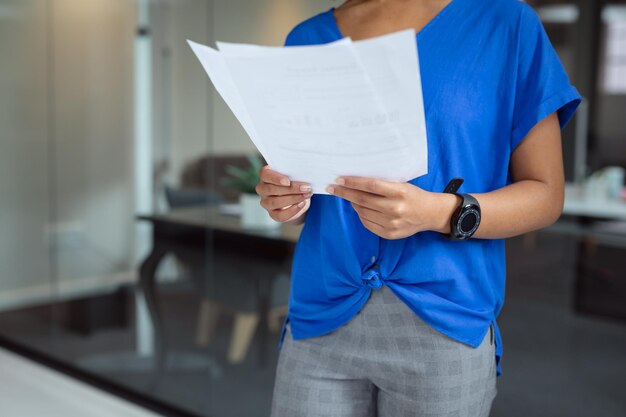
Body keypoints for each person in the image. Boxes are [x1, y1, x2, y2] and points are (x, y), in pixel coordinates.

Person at [255, 0, 581, 416]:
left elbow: (546, 195)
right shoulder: (306, 40)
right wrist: (285, 200)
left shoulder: (506, 24)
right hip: (320, 318)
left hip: (443, 327)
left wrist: (436, 213)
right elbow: (305, 191)